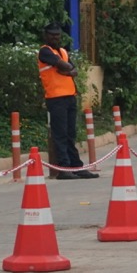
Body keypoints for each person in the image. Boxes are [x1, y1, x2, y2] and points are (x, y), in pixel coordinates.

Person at [37, 23, 98, 180]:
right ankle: (63, 169)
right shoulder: (44, 51)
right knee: (60, 134)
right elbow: (63, 65)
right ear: (46, 36)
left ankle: (76, 166)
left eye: (57, 35)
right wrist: (67, 69)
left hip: (70, 96)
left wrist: (66, 69)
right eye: (52, 35)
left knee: (71, 134)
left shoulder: (63, 51)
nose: (55, 38)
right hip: (55, 98)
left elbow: (73, 69)